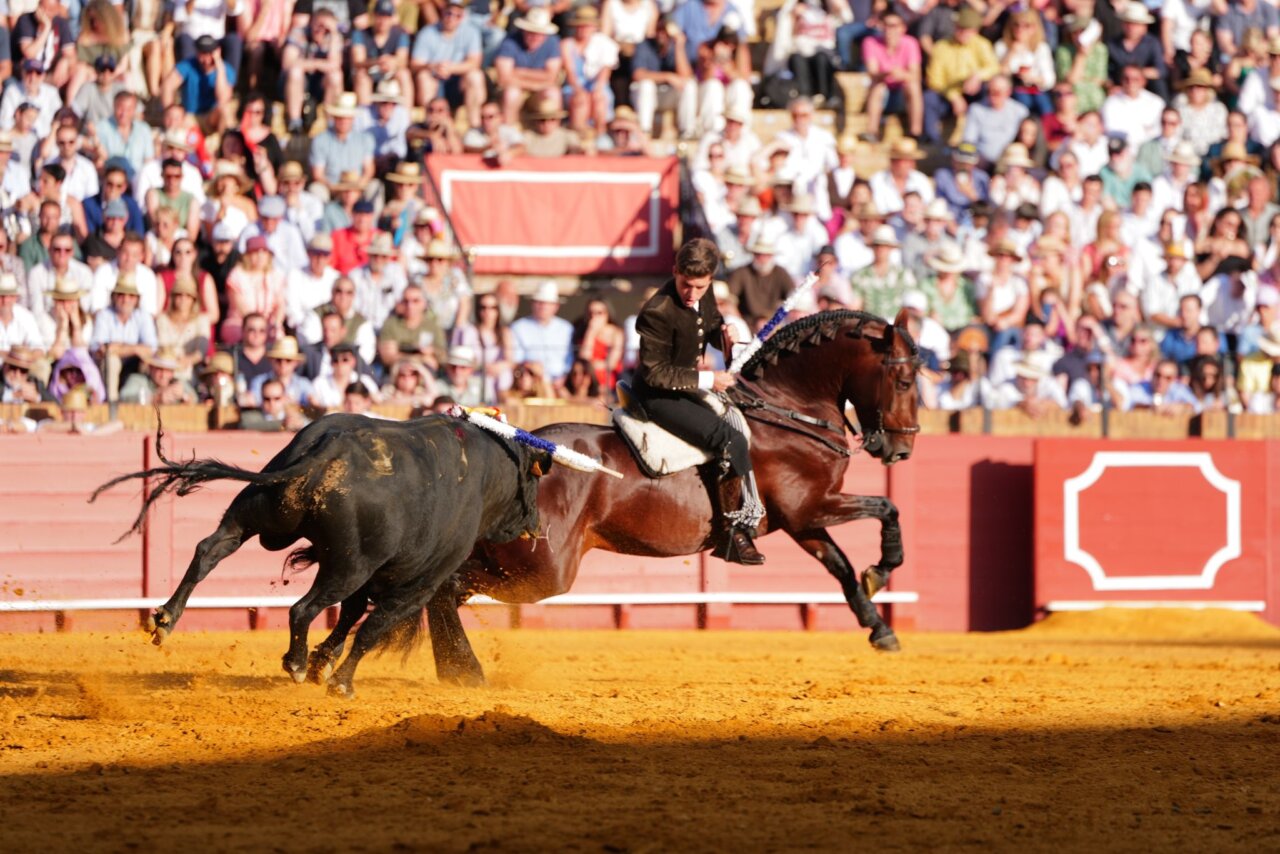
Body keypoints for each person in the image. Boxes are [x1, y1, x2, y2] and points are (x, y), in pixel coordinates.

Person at [630, 237, 760, 565]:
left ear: (710, 280)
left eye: (700, 287)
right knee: (730, 438)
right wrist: (709, 379)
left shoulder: (705, 292)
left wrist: (725, 335)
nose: (692, 293)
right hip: (657, 395)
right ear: (674, 271)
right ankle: (731, 533)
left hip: (687, 386)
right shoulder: (657, 311)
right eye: (686, 285)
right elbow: (655, 374)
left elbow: (709, 325)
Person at [510, 280, 575, 384]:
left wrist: (564, 376)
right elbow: (516, 359)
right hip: (530, 383)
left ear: (556, 306)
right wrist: (530, 367)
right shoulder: (518, 327)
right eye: (539, 302)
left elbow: (570, 358)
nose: (543, 306)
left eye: (548, 303)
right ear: (532, 304)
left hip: (561, 383)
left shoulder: (566, 328)